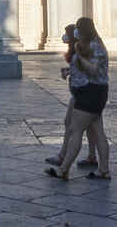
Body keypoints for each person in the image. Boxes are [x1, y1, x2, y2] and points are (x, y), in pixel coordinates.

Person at [45, 16, 109, 181]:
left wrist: (79, 57)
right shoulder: (92, 44)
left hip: (90, 93)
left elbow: (94, 70)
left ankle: (63, 169)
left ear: (83, 30)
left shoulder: (94, 46)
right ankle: (104, 170)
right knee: (98, 132)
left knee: (75, 130)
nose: (75, 31)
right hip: (95, 92)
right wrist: (70, 70)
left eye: (78, 28)